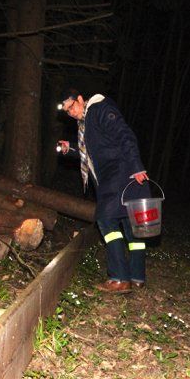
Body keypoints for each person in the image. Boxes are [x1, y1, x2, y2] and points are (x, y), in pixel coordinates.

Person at [57, 89, 150, 294]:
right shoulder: (85, 122)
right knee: (131, 226)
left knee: (106, 220)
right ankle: (137, 277)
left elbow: (124, 135)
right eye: (67, 111)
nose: (71, 113)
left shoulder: (99, 109)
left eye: (71, 107)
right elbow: (93, 152)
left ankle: (119, 278)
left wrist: (137, 166)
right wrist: (70, 148)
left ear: (80, 99)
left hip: (120, 174)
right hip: (118, 177)